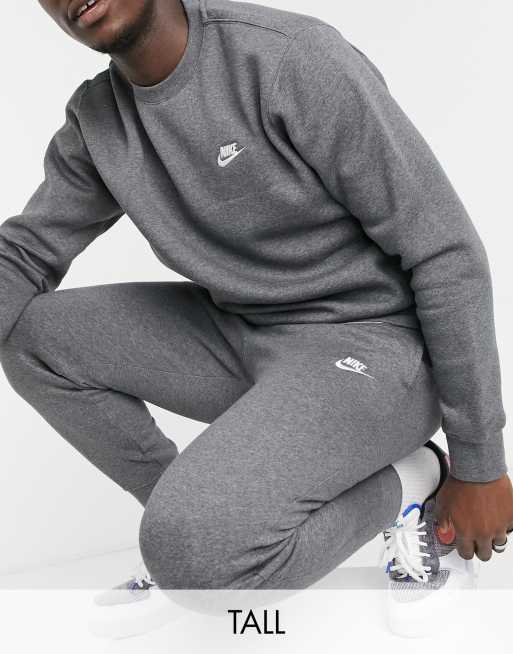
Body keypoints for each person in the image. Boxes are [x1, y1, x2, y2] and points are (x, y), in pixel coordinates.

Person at [1, 0, 512, 637]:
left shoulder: (289, 59)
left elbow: (446, 253)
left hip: (375, 348)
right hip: (245, 332)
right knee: (34, 337)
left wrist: (479, 462)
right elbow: (24, 252)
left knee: (196, 553)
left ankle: (412, 481)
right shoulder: (97, 120)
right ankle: (190, 536)